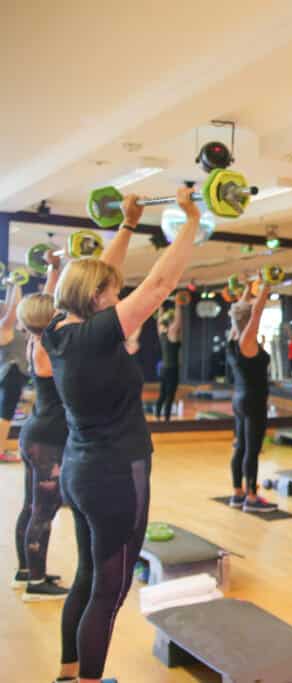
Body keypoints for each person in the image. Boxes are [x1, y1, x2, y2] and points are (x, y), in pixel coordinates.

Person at [43, 188, 198, 683]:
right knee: (109, 592)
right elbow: (157, 286)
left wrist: (128, 226)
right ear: (99, 302)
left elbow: (94, 280)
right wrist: (190, 220)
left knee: (87, 578)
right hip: (117, 476)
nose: (118, 293)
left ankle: (69, 675)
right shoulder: (96, 333)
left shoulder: (60, 331)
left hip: (81, 472)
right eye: (112, 292)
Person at [13, 250, 69, 601]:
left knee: (30, 506)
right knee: (44, 510)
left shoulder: (38, 339)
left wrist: (54, 269)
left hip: (37, 433)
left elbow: (49, 307)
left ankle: (25, 571)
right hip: (48, 439)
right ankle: (37, 581)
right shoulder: (48, 349)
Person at [226, 283, 277, 513]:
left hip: (239, 399)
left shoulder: (234, 336)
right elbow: (254, 313)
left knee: (241, 447)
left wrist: (249, 288)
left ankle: (238, 493)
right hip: (254, 401)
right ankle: (252, 498)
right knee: (251, 449)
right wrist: (265, 288)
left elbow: (242, 312)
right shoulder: (247, 340)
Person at [0, 278, 27, 462]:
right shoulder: (4, 327)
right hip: (12, 373)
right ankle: (0, 449)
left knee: (5, 413)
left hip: (10, 373)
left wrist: (10, 285)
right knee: (5, 415)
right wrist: (16, 283)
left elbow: (12, 306)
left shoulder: (6, 328)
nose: (4, 305)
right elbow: (15, 307)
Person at [153, 298, 184, 421]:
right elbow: (179, 321)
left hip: (164, 369)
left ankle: (158, 417)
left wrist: (160, 306)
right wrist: (178, 305)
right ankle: (166, 420)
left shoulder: (162, 334)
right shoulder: (171, 334)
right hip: (172, 370)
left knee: (162, 395)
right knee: (170, 396)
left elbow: (159, 323)